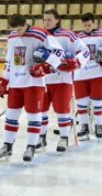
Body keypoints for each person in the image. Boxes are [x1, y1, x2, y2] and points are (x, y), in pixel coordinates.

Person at [0, 13, 62, 163]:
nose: (16, 33)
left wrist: (46, 67)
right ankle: (7, 146)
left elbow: (59, 52)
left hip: (33, 83)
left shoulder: (40, 34)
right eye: (14, 30)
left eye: (19, 29)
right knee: (11, 116)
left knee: (33, 115)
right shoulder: (12, 37)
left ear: (25, 24)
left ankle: (31, 146)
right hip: (16, 83)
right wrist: (4, 79)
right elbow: (9, 60)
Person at [38, 9, 90, 152]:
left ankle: (63, 138)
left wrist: (77, 62)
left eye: (49, 19)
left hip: (62, 80)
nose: (46, 22)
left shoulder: (67, 35)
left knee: (62, 111)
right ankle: (41, 138)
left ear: (57, 20)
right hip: (42, 80)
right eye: (44, 19)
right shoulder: (40, 36)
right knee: (41, 111)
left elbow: (85, 51)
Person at [75, 13, 102, 140]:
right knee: (81, 103)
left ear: (94, 23)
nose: (87, 28)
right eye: (84, 25)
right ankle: (84, 126)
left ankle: (99, 126)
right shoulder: (78, 36)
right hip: (80, 75)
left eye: (89, 25)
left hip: (97, 74)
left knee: (98, 102)